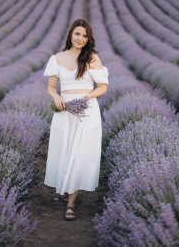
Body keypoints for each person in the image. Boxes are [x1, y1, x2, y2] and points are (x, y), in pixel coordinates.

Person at [43, 18, 109, 220]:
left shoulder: (92, 58)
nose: (80, 38)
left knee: (79, 154)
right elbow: (52, 87)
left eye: (85, 35)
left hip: (86, 111)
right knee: (64, 150)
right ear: (71, 34)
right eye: (77, 34)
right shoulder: (57, 58)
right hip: (64, 112)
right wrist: (57, 97)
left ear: (88, 39)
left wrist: (86, 98)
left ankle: (71, 204)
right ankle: (65, 188)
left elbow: (103, 87)